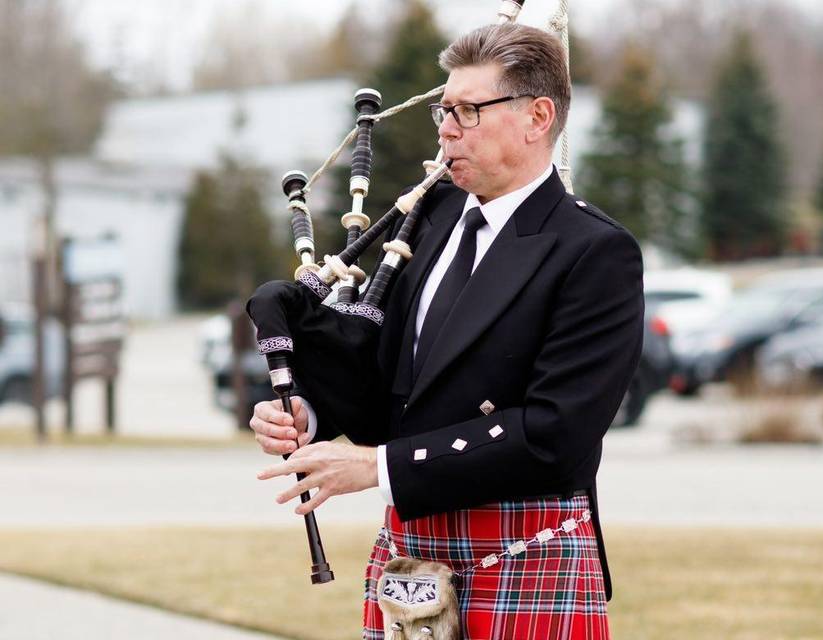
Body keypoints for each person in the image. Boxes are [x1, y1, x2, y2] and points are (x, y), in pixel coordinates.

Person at [251, 22, 643, 639]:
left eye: (467, 110)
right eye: (443, 108)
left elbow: (554, 433)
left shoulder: (593, 252)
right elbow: (396, 385)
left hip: (524, 549)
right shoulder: (430, 221)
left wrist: (380, 469)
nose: (445, 128)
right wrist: (311, 413)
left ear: (537, 117)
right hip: (414, 553)